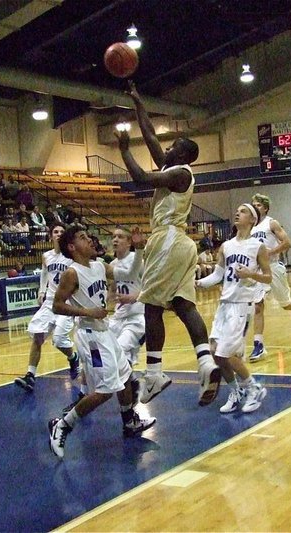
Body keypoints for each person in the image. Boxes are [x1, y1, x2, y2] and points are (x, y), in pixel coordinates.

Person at [116, 81, 221, 407]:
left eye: (174, 146)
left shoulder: (181, 174)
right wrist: (138, 102)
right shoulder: (175, 168)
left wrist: (123, 151)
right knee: (182, 305)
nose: (168, 148)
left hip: (168, 239)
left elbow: (141, 179)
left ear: (185, 154)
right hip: (180, 243)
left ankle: (155, 372)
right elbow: (150, 138)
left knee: (150, 306)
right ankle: (205, 363)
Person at [47, 225, 153, 459]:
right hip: (90, 336)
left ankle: (129, 422)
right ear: (72, 247)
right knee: (105, 390)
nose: (90, 240)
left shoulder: (99, 265)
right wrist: (87, 311)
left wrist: (141, 248)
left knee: (125, 376)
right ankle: (63, 424)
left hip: (105, 331)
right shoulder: (72, 273)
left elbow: (129, 275)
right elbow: (57, 305)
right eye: (83, 238)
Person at [197, 203, 272, 413]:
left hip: (242, 305)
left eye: (243, 211)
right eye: (237, 211)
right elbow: (218, 275)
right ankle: (236, 390)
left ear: (252, 220)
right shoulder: (226, 246)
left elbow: (268, 276)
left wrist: (250, 274)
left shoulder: (258, 246)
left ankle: (254, 388)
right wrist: (200, 283)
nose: (238, 213)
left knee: (227, 353)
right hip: (224, 305)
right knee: (216, 353)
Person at [249, 193, 291, 362]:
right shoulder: (249, 227)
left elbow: (287, 243)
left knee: (286, 304)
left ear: (265, 208)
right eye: (253, 205)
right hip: (258, 270)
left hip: (273, 268)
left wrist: (269, 252)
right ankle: (258, 345)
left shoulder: (271, 223)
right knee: (257, 305)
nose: (255, 208)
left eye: (258, 205)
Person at [13, 224, 79, 393]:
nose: (58, 234)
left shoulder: (72, 256)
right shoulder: (46, 256)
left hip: (66, 302)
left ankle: (73, 357)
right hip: (49, 301)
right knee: (37, 335)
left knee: (59, 340)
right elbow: (44, 273)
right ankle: (30, 375)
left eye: (61, 232)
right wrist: (41, 290)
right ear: (50, 236)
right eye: (55, 231)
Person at [108, 227, 145, 367]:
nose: (115, 239)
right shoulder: (112, 265)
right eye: (113, 237)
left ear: (129, 242)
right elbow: (112, 290)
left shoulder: (138, 262)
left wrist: (134, 296)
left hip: (137, 316)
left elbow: (151, 287)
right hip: (119, 316)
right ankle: (131, 383)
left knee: (120, 350)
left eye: (120, 237)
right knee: (107, 351)